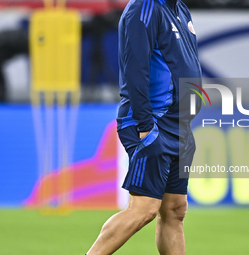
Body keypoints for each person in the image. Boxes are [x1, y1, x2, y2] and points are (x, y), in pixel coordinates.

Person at [86, 0, 202, 254]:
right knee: (143, 210)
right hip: (154, 122)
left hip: (178, 126)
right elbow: (135, 68)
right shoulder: (144, 8)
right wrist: (145, 125)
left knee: (174, 210)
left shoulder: (179, 8)